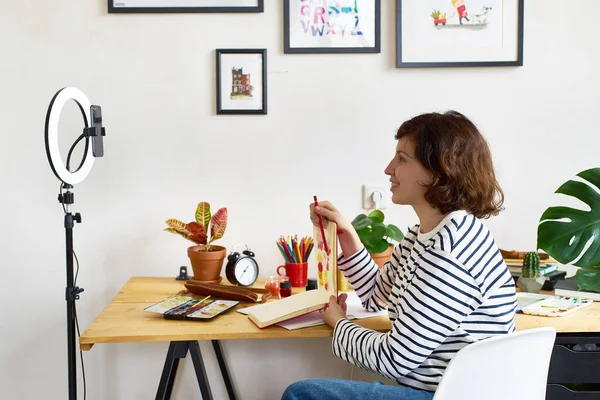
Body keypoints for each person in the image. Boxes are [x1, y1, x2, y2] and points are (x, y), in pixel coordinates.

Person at [281, 111, 517, 400]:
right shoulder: (425, 235)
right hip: (438, 389)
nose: (388, 169)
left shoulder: (448, 252)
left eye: (402, 159)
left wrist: (339, 323)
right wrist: (349, 238)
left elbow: (394, 359)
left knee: (302, 395)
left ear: (437, 171)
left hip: (452, 395)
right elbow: (374, 294)